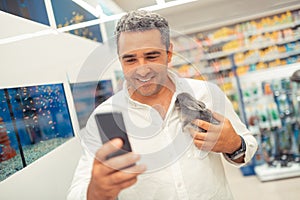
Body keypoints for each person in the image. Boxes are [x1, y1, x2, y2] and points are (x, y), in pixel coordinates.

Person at [68, 10, 258, 200]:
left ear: (169, 53)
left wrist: (234, 145)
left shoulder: (206, 94)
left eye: (151, 56)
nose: (142, 70)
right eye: (130, 59)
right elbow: (77, 191)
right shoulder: (106, 118)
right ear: (120, 59)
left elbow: (247, 147)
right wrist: (96, 192)